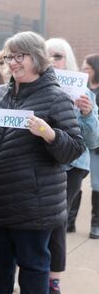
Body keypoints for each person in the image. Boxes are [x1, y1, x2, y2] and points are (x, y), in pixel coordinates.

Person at [0, 31, 86, 294]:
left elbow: (74, 150)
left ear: (37, 58)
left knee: (33, 268)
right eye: (10, 56)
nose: (12, 62)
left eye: (19, 56)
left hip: (32, 207)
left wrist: (50, 134)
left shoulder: (57, 99)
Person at [45, 38, 99, 294]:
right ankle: (32, 269)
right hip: (41, 162)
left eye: (57, 55)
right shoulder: (36, 88)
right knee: (32, 220)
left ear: (67, 58)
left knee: (56, 219)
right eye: (47, 56)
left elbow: (93, 140)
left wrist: (87, 114)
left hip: (72, 165)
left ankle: (53, 279)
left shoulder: (84, 93)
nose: (52, 60)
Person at [81, 54, 99, 239]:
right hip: (80, 141)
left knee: (97, 184)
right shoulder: (81, 88)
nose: (84, 71)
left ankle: (96, 223)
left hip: (97, 144)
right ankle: (69, 220)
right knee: (75, 181)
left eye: (87, 68)